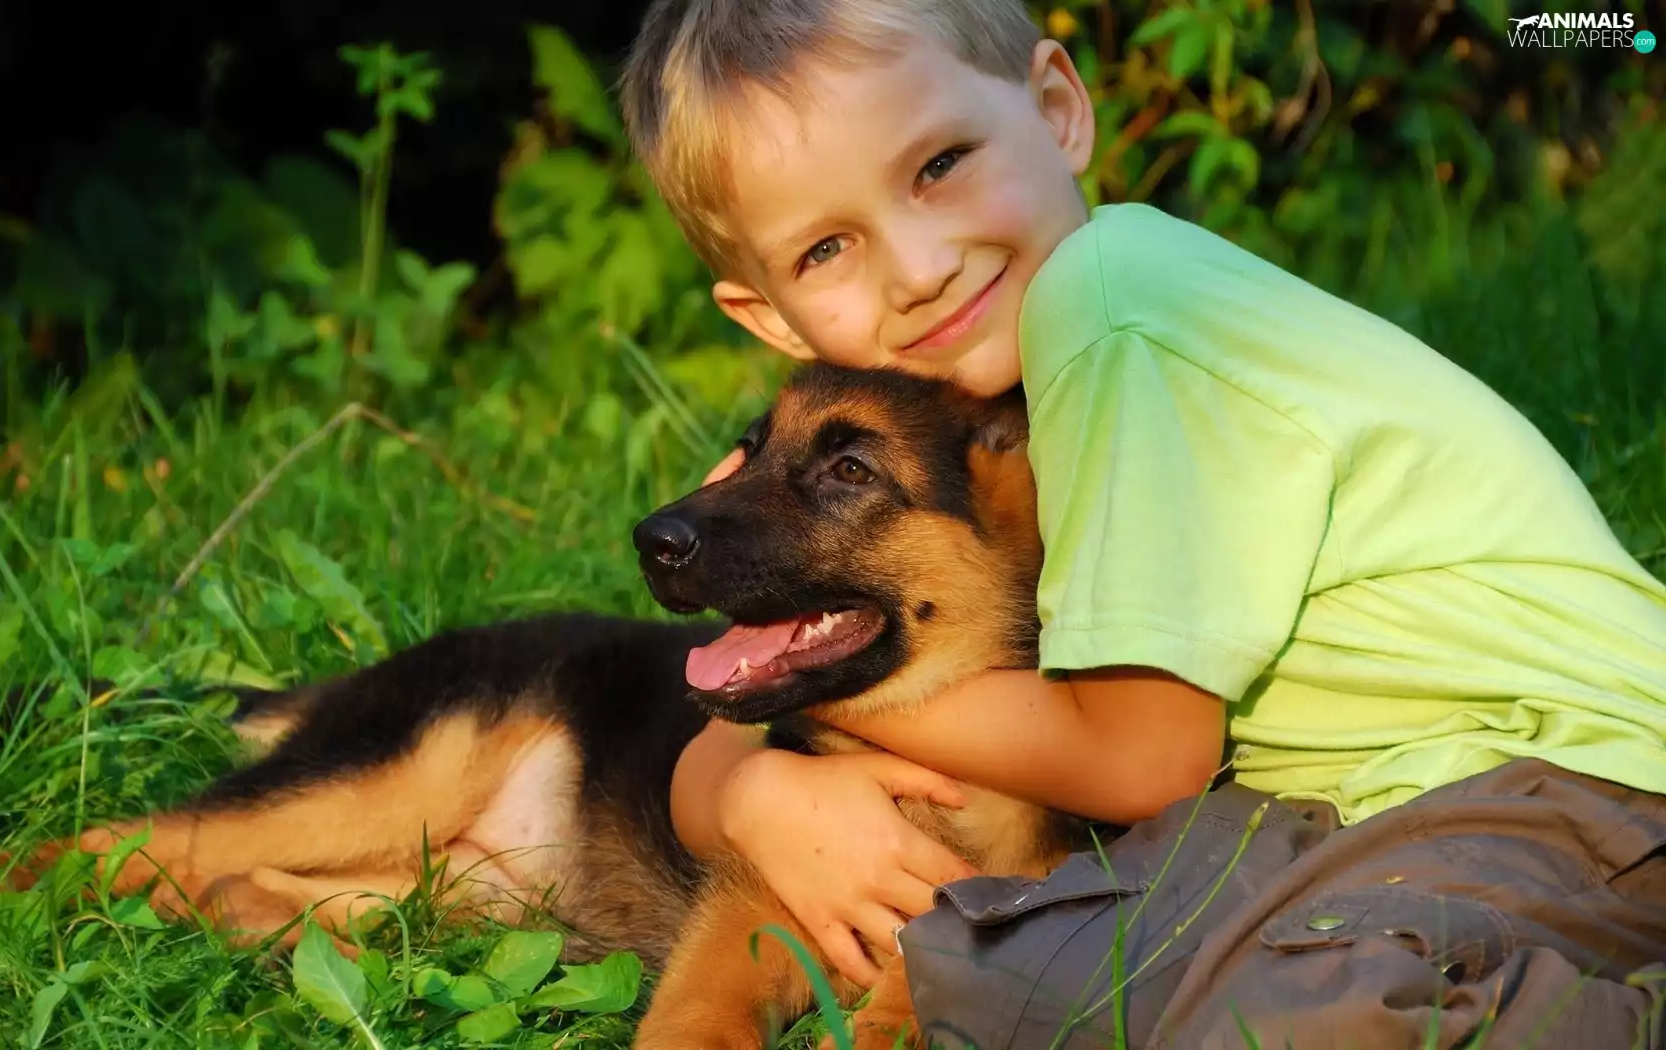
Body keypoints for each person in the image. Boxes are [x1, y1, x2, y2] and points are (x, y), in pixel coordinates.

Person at [616, 1, 1666, 1045]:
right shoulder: (1001, 403)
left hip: (1571, 776)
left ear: (1059, 108)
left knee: (1305, 1019)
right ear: (769, 317)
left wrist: (810, 676)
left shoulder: (1112, 311)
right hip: (1344, 806)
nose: (919, 263)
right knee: (995, 968)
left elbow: (1139, 762)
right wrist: (756, 780)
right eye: (828, 247)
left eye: (939, 164)